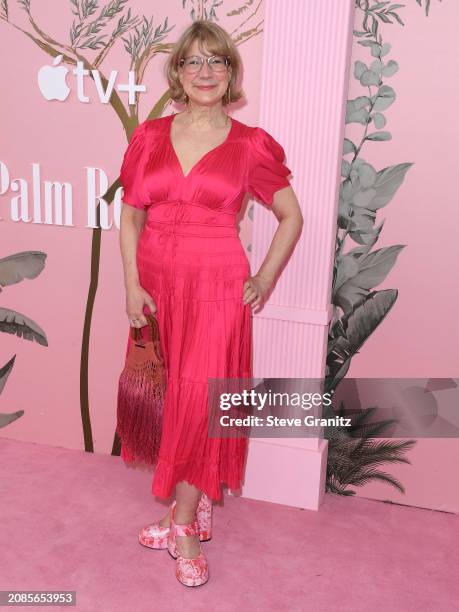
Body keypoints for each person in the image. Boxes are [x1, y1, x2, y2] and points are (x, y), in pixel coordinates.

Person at [118, 20, 303, 587]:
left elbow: (291, 217)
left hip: (218, 287)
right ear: (177, 72)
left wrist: (265, 278)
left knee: (200, 403)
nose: (204, 72)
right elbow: (130, 213)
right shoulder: (150, 136)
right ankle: (189, 503)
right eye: (193, 62)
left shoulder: (250, 145)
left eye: (216, 62)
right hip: (155, 286)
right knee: (171, 396)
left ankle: (184, 527)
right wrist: (130, 284)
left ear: (230, 74)